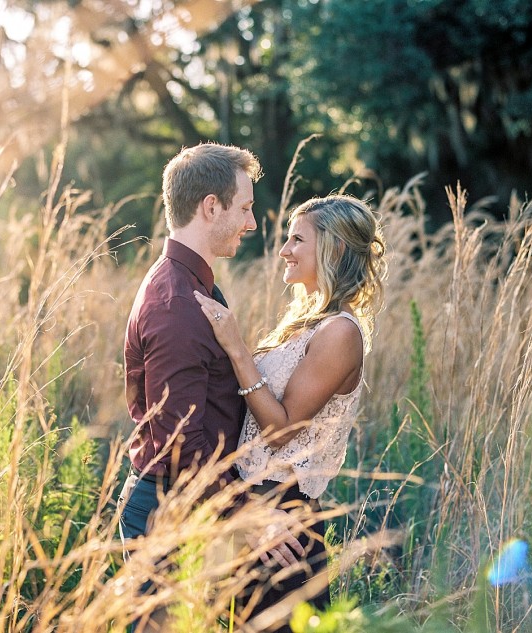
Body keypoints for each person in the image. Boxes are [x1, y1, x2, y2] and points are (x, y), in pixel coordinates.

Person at [119, 143, 305, 624]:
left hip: (189, 510)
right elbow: (182, 444)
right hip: (166, 515)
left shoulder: (192, 286)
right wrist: (251, 517)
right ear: (210, 207)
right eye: (244, 208)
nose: (252, 222)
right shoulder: (176, 302)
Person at [194, 194, 387, 632]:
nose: (284, 250)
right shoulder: (305, 322)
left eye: (297, 239)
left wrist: (236, 347)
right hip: (255, 511)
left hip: (285, 513)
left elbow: (281, 431)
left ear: (333, 249)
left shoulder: (340, 333)